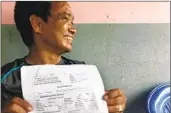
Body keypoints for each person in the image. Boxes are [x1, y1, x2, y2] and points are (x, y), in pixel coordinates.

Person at [1, 1, 127, 113]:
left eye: (72, 22)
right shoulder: (6, 79)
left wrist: (114, 107)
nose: (73, 30)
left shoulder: (84, 73)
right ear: (37, 24)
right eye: (64, 18)